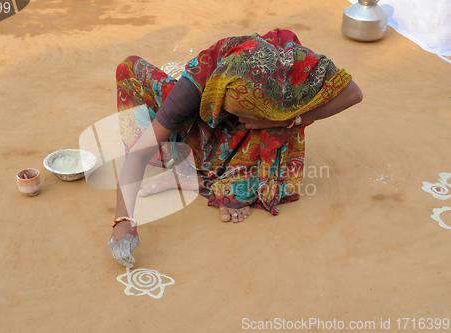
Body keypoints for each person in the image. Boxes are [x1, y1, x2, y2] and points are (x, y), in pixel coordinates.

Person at [108, 28, 363, 267]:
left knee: (266, 141)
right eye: (235, 109)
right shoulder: (194, 86)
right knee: (128, 69)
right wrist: (123, 220)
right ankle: (195, 171)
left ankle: (209, 178)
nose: (238, 117)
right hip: (201, 119)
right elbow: (138, 154)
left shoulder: (295, 66)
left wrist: (288, 119)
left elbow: (353, 93)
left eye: (248, 112)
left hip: (265, 126)